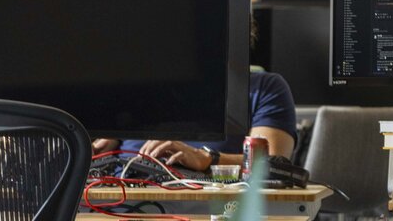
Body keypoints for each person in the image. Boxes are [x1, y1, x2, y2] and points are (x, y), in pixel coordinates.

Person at [93, 69, 300, 173]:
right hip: (121, 204)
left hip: (210, 212)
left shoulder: (264, 87)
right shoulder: (137, 87)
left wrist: (206, 159)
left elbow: (274, 166)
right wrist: (112, 137)